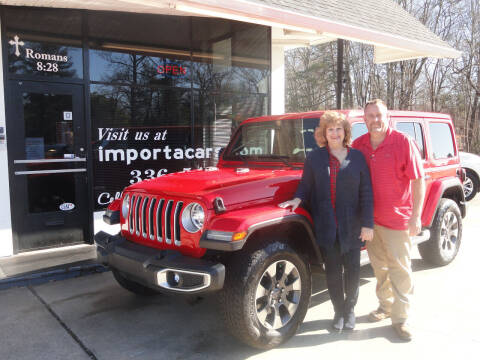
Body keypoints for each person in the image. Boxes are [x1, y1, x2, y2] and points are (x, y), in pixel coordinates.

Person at [279, 111, 373, 331]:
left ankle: (350, 310)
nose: (334, 133)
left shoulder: (357, 157)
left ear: (345, 132)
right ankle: (338, 310)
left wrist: (368, 224)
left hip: (353, 226)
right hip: (328, 226)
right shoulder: (315, 158)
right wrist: (297, 199)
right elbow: (306, 184)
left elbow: (367, 193)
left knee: (352, 270)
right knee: (332, 271)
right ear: (323, 133)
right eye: (330, 129)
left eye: (339, 129)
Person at [352, 99, 425, 341]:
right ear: (364, 119)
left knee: (400, 271)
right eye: (370, 116)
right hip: (370, 222)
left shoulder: (403, 142)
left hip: (397, 220)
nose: (375, 120)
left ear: (388, 116)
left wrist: (416, 216)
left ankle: (401, 319)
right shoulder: (359, 145)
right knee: (379, 268)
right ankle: (385, 307)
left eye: (379, 115)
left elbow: (418, 180)